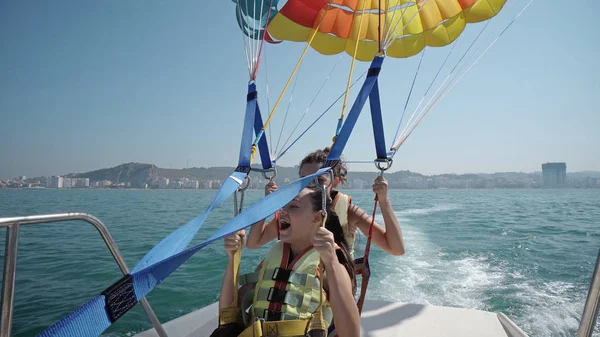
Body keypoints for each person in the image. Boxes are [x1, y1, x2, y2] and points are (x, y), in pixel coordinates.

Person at [211, 184, 360, 337]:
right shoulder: (272, 259)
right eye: (283, 206)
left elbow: (351, 334)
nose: (282, 211)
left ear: (316, 217)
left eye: (293, 207)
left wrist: (332, 263)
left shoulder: (328, 265)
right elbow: (228, 317)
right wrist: (232, 257)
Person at [246, 147, 405, 259]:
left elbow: (396, 248)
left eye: (319, 180)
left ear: (334, 182)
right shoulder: (293, 212)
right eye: (305, 180)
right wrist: (266, 204)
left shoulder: (349, 211)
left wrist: (384, 201)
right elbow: (254, 243)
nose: (311, 186)